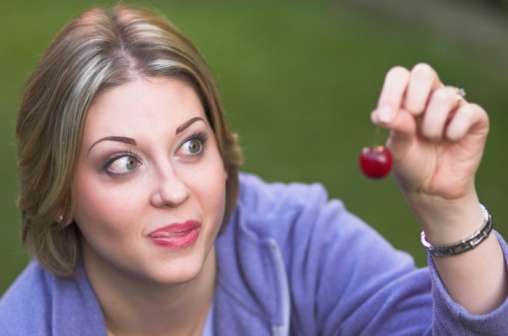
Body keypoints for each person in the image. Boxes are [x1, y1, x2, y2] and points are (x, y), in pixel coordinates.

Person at [0, 4, 507, 335]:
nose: (173, 190)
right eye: (123, 162)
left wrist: (450, 212)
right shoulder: (25, 325)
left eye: (191, 144)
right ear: (60, 194)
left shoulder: (296, 240)